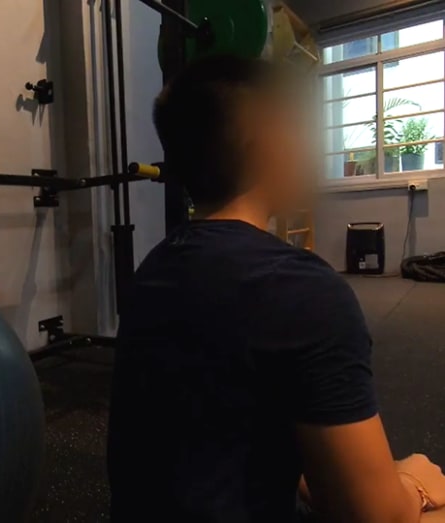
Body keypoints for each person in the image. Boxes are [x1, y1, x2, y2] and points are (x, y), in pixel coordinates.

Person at [106, 55, 445, 522]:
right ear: (269, 146)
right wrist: (416, 485)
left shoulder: (155, 269)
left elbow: (228, 430)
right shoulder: (303, 289)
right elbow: (375, 517)